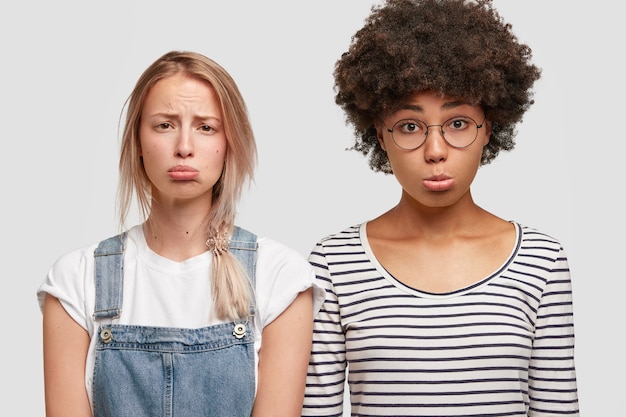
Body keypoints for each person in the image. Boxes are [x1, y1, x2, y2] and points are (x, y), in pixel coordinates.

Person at [302, 0, 579, 416]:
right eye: (410, 126)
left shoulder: (543, 262)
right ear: (380, 134)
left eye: (458, 123)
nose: (435, 151)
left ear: (490, 129)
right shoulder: (333, 264)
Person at [38, 50, 324, 417]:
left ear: (229, 143)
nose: (184, 147)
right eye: (165, 125)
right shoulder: (75, 279)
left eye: (206, 127)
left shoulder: (280, 276)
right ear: (138, 142)